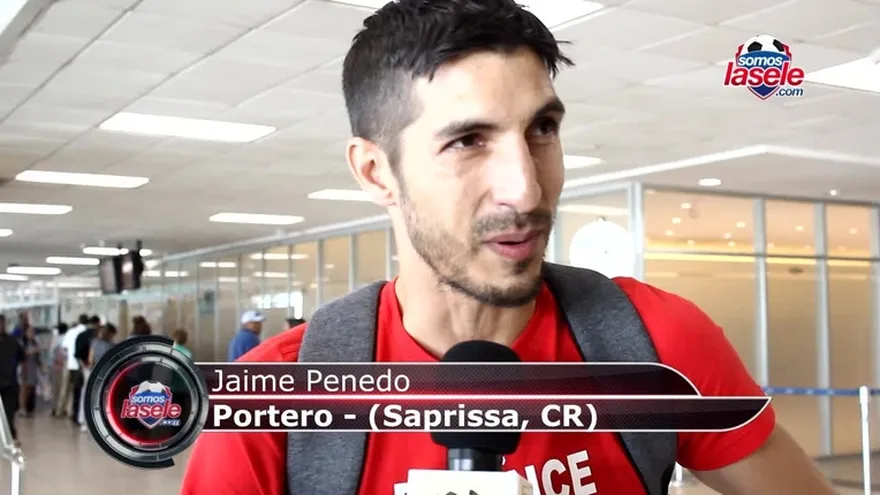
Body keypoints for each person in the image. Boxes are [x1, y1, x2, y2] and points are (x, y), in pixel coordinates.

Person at [181, 1, 835, 494]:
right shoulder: (273, 410)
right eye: (468, 140)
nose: (525, 190)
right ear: (376, 171)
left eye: (542, 129)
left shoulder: (657, 345)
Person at [54, 314, 87, 419]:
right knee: (76, 390)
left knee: (65, 389)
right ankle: (72, 412)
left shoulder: (70, 332)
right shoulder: (85, 332)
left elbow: (64, 348)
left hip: (68, 363)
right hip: (78, 365)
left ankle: (60, 410)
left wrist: (66, 358)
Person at [72, 315, 100, 427]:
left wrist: (83, 366)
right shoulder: (96, 337)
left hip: (85, 367)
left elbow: (77, 354)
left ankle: (81, 418)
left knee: (84, 391)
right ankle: (90, 419)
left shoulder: (80, 335)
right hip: (95, 367)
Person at [0, 315, 23, 445]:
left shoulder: (12, 341)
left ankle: (11, 437)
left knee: (9, 413)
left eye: (2, 323)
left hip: (9, 383)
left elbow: (21, 356)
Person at [18, 326, 40, 417]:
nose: (31, 334)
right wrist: (34, 351)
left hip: (33, 367)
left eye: (32, 332)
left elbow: (37, 355)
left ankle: (27, 406)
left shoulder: (34, 342)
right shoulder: (23, 343)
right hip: (25, 367)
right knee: (24, 388)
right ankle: (22, 408)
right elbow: (23, 353)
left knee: (30, 387)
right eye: (29, 332)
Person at [49, 322, 68, 417]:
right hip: (62, 365)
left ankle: (54, 408)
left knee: (55, 388)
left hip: (54, 365)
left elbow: (51, 353)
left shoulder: (55, 339)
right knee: (61, 388)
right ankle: (59, 409)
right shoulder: (65, 338)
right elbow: (65, 353)